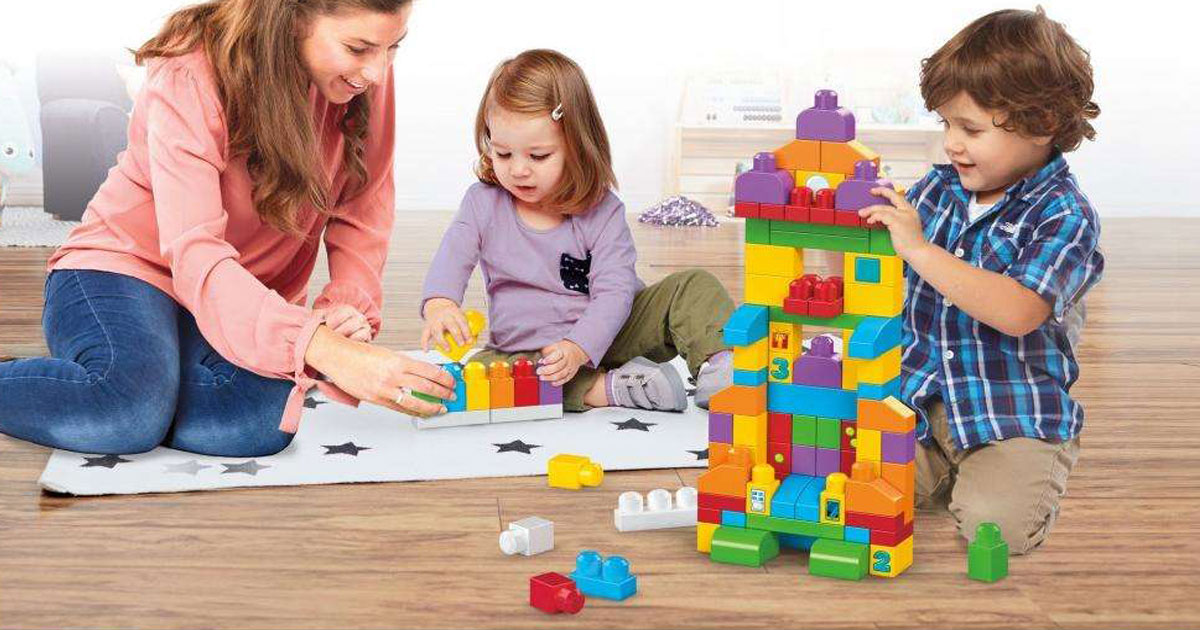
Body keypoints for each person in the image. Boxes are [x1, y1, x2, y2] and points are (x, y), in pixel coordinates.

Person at [0, 0, 455, 458]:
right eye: (358, 48)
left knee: (259, 422)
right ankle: (127, 382)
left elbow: (364, 204)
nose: (376, 71)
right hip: (124, 270)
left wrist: (344, 308)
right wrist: (321, 348)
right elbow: (196, 253)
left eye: (393, 47)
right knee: (124, 414)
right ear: (294, 16)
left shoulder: (362, 76)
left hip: (238, 300)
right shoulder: (190, 70)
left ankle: (140, 377)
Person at [859, 8, 1105, 553]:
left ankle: (1022, 469)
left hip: (1010, 411)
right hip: (917, 399)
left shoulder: (1065, 215)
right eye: (946, 124)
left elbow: (1018, 312)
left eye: (970, 129)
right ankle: (947, 474)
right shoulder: (937, 189)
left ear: (1041, 124)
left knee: (996, 532)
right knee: (852, 486)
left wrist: (919, 248)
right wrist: (869, 233)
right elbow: (885, 274)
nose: (951, 143)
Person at [419, 49, 735, 413]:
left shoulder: (603, 210)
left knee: (694, 286)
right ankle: (606, 389)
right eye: (503, 154)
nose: (518, 170)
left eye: (538, 156)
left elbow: (615, 291)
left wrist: (580, 346)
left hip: (616, 330)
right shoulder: (482, 203)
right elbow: (452, 256)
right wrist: (440, 304)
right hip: (533, 351)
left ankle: (720, 367)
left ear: (578, 146)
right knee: (486, 374)